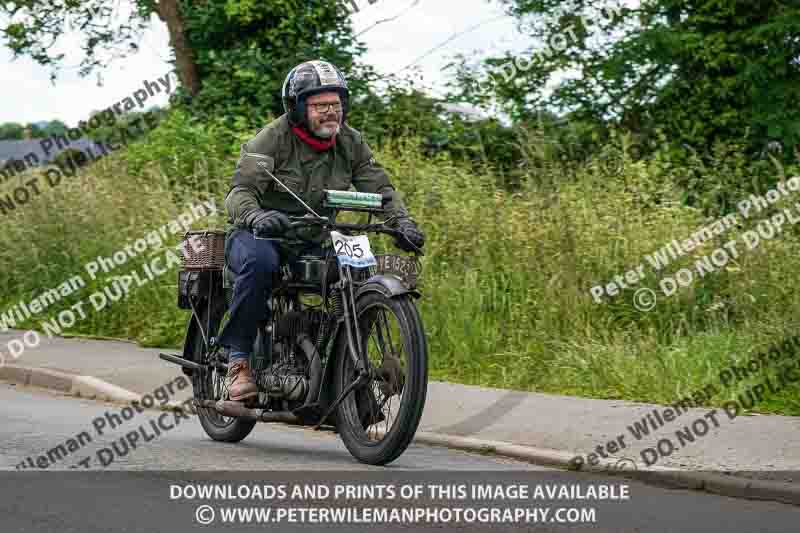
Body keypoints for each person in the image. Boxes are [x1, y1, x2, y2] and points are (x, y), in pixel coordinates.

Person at [218, 60, 425, 402]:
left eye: (336, 104)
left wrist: (402, 222)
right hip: (260, 236)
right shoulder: (272, 138)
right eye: (319, 106)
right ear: (298, 108)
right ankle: (238, 361)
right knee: (260, 264)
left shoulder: (350, 143)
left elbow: (381, 189)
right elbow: (239, 192)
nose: (331, 112)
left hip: (315, 238)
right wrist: (256, 216)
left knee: (360, 271)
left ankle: (344, 369)